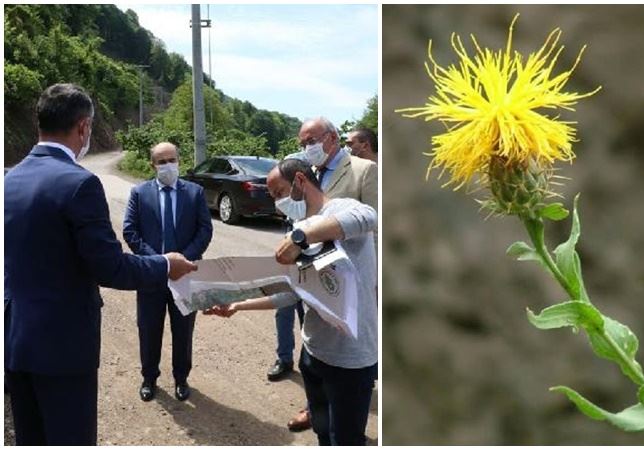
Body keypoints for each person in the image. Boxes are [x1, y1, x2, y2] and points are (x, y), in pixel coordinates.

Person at [4, 83, 197, 445]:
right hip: (62, 347)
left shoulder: (9, 179)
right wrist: (165, 265)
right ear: (84, 127)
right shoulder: (80, 184)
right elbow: (110, 267)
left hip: (15, 341)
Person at [207, 158, 377, 445]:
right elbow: (292, 292)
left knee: (346, 438)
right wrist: (237, 305)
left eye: (279, 192)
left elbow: (369, 215)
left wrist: (301, 237)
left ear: (300, 181)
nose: (277, 202)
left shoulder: (340, 209)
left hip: (351, 358)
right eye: (273, 197)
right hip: (313, 352)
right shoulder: (297, 227)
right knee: (323, 430)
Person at [277, 117, 378, 431]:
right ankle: (315, 407)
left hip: (354, 284)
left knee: (346, 401)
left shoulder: (364, 169)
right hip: (313, 277)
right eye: (302, 143)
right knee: (317, 351)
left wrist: (372, 285)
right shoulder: (310, 173)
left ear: (332, 138)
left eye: (311, 141)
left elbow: (374, 223)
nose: (306, 148)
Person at [122, 142, 213, 402]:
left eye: (171, 160)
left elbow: (204, 230)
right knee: (149, 329)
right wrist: (161, 263)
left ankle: (181, 378)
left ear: (179, 161)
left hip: (186, 276)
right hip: (151, 275)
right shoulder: (139, 193)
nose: (167, 166)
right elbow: (131, 231)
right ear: (153, 165)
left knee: (183, 331)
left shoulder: (195, 192)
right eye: (161, 162)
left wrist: (182, 261)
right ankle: (149, 378)